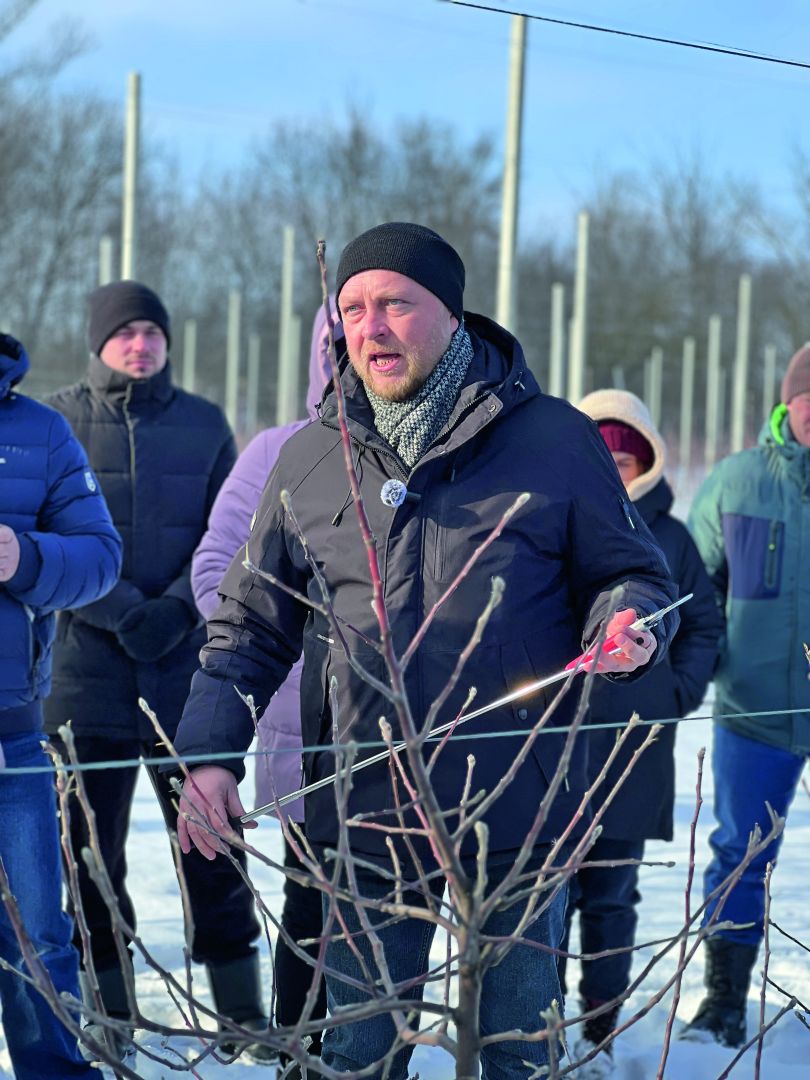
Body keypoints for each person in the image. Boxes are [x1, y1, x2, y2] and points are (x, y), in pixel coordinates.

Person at [172, 222, 679, 1079]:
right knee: (360, 1049)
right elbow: (248, 624)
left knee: (517, 1046)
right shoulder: (310, 458)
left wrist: (629, 621)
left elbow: (632, 571)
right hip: (366, 804)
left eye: (395, 304)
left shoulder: (553, 439)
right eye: (353, 309)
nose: (370, 326)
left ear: (451, 314)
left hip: (518, 802)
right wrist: (211, 753)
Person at [43, 281, 271, 1059]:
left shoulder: (204, 424)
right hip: (81, 673)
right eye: (125, 333)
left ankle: (242, 1014)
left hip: (186, 672)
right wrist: (117, 610)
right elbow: (46, 539)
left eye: (151, 332)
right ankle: (112, 1013)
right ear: (98, 341)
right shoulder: (58, 423)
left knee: (212, 839)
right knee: (87, 853)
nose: (139, 345)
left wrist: (177, 607)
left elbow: (230, 532)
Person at [191, 300, 342, 1058]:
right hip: (306, 726)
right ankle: (299, 1057)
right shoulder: (280, 450)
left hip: (420, 737)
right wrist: (297, 651)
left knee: (400, 923)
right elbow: (219, 568)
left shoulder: (437, 445)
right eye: (337, 340)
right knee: (312, 909)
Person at [559, 389, 721, 1074]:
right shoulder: (554, 519)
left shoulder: (672, 539)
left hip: (634, 749)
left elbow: (704, 624)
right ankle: (537, 1031)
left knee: (611, 899)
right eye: (602, 458)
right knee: (543, 898)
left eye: (624, 460)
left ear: (647, 462)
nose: (615, 471)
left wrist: (674, 693)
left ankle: (597, 1035)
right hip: (555, 746)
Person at [0, 332, 122, 1079]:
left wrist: (25, 557)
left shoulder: (40, 432)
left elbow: (100, 556)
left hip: (9, 744)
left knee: (37, 937)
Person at [682, 345, 810, 1047]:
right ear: (788, 403)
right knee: (740, 851)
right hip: (753, 707)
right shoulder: (736, 481)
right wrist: (693, 669)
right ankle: (723, 1000)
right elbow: (692, 588)